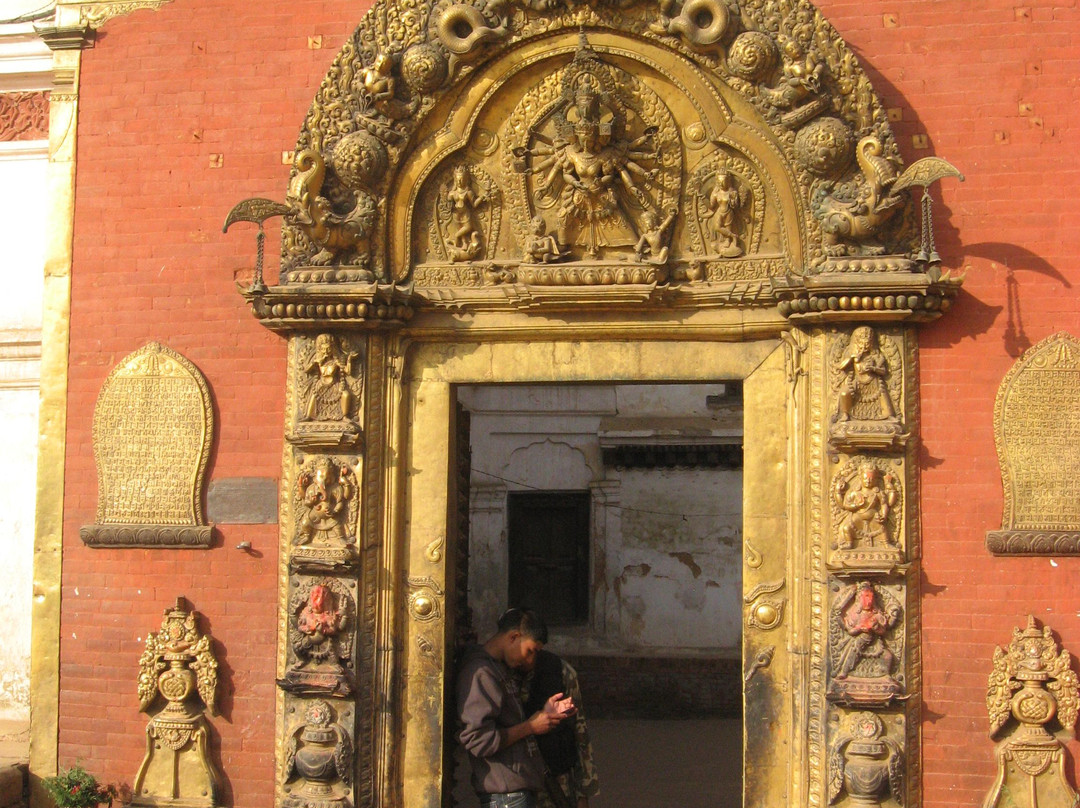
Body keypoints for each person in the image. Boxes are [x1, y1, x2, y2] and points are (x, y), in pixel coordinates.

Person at [457, 609, 576, 808]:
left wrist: (545, 714)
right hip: (506, 798)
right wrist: (531, 727)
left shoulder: (497, 669)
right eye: (530, 651)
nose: (530, 661)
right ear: (514, 637)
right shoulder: (481, 673)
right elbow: (479, 740)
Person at [520, 650, 599, 808]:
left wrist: (583, 792)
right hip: (518, 783)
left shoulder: (559, 671)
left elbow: (580, 732)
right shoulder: (500, 672)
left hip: (556, 779)